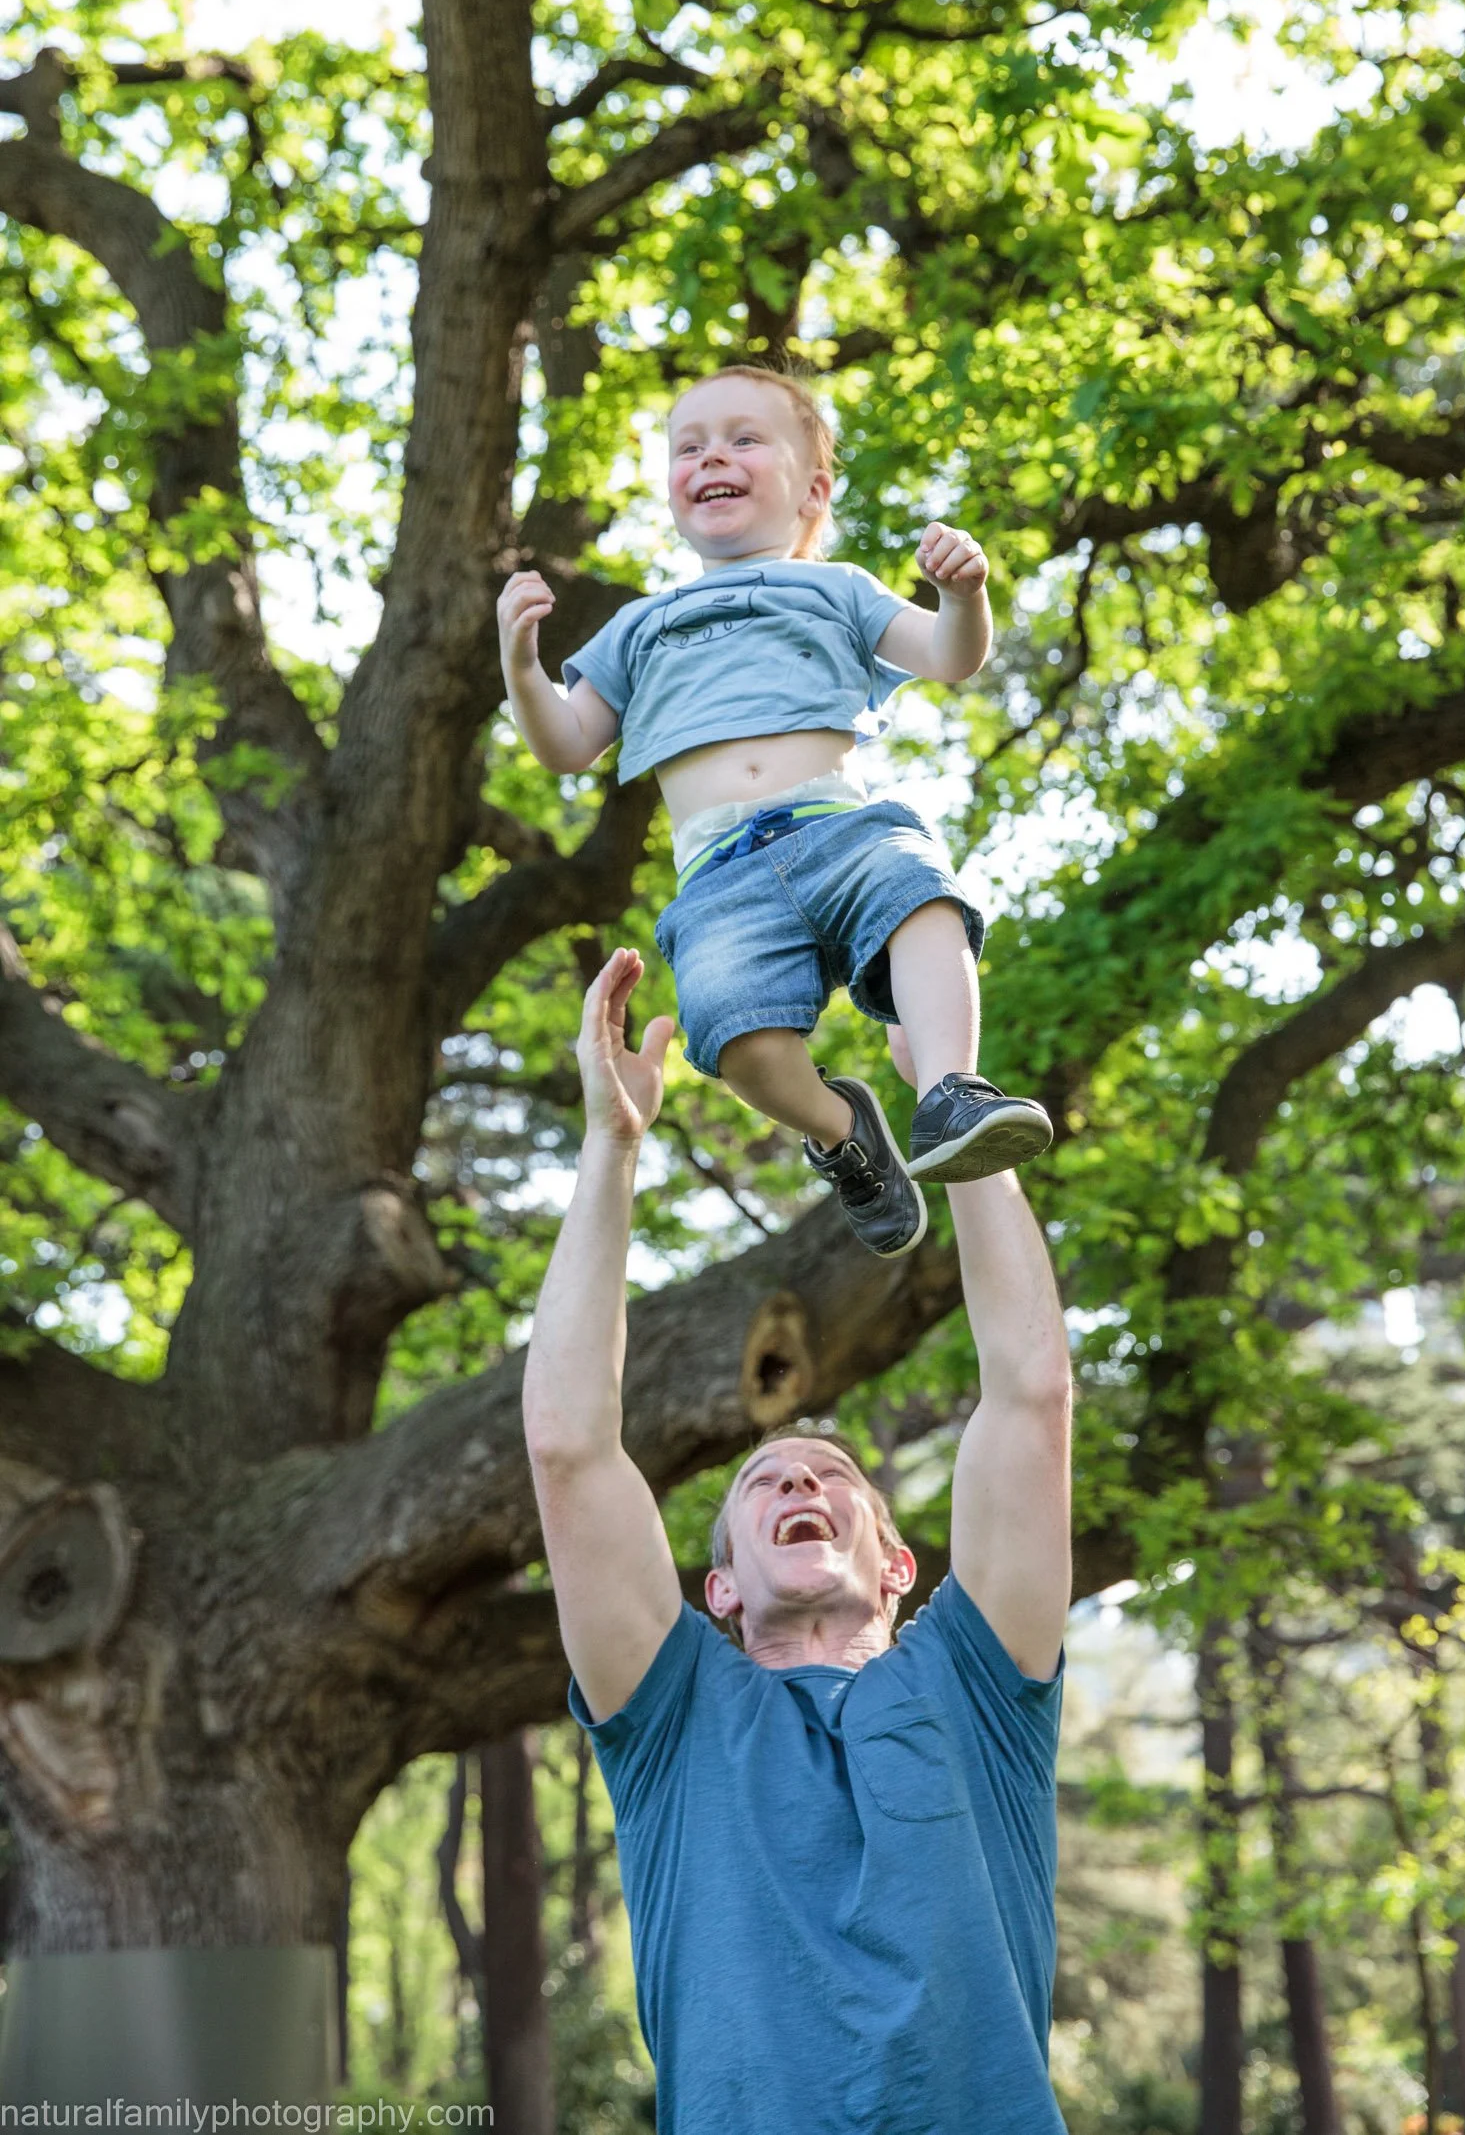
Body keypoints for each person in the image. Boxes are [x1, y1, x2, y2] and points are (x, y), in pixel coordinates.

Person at [524, 946, 1074, 2135]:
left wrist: (952, 1108)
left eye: (832, 1477)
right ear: (719, 1588)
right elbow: (570, 1448)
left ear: (896, 1568)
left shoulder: (981, 1688)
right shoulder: (672, 1719)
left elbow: (1029, 1398)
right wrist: (612, 1148)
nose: (797, 1480)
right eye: (764, 1482)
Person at [497, 365, 1052, 1262]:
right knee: (735, 1041)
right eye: (690, 446)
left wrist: (964, 596)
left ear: (813, 491)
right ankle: (843, 1132)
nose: (713, 455)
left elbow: (951, 657)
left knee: (920, 892)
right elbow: (566, 743)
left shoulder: (838, 587)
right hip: (720, 881)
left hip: (838, 829)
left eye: (745, 439)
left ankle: (953, 1089)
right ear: (674, 490)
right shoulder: (640, 626)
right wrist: (522, 665)